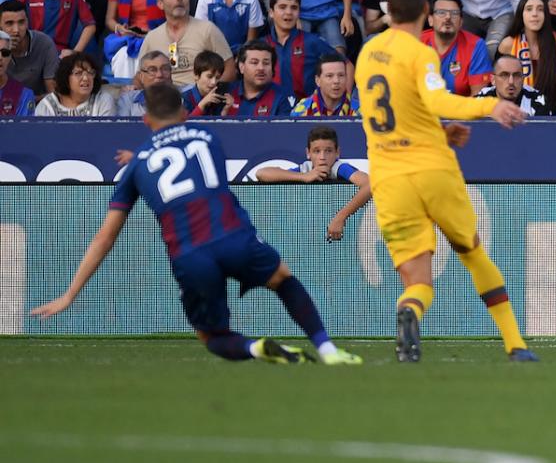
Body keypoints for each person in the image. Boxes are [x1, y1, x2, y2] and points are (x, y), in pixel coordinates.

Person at [32, 82, 361, 365]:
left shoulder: (138, 165)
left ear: (146, 120)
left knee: (212, 336)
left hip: (190, 254)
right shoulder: (207, 136)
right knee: (283, 280)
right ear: (184, 111)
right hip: (234, 236)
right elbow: (183, 155)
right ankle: (327, 349)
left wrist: (70, 293)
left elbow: (105, 237)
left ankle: (253, 347)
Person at [353, 0, 535, 363]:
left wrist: (438, 129)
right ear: (425, 10)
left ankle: (410, 311)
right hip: (431, 169)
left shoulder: (367, 52)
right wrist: (490, 105)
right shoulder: (421, 53)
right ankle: (515, 344)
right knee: (472, 252)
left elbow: (395, 109)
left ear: (387, 7)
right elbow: (437, 101)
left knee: (418, 280)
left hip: (388, 177)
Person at [139, 0, 232, 84]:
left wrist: (212, 91)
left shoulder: (207, 29)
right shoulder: (152, 37)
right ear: (160, 4)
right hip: (163, 96)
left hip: (198, 97)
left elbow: (230, 69)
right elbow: (140, 75)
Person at [261, 0, 339, 101]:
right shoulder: (261, 46)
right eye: (282, 7)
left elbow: (345, 65)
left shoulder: (312, 42)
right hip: (271, 113)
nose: (288, 12)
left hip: (306, 113)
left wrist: (342, 103)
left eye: (294, 8)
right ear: (271, 12)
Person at [421, 0, 492, 96]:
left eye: (454, 13)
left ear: (461, 22)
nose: (448, 17)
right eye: (441, 13)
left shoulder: (476, 46)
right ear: (430, 19)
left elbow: (478, 97)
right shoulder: (416, 42)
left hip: (461, 111)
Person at [0, 0, 61, 94]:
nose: (16, 30)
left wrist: (28, 100)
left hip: (39, 105)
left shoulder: (44, 43)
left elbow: (53, 93)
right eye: (9, 23)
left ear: (27, 22)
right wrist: (6, 52)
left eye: (21, 22)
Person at [33, 49, 115, 114]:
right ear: (65, 77)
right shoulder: (47, 105)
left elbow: (105, 134)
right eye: (78, 73)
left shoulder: (103, 101)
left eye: (90, 72)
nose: (86, 78)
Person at [474, 52, 550, 115]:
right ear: (493, 79)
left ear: (523, 79)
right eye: (504, 75)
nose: (511, 81)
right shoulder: (480, 101)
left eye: (516, 76)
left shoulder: (537, 101)